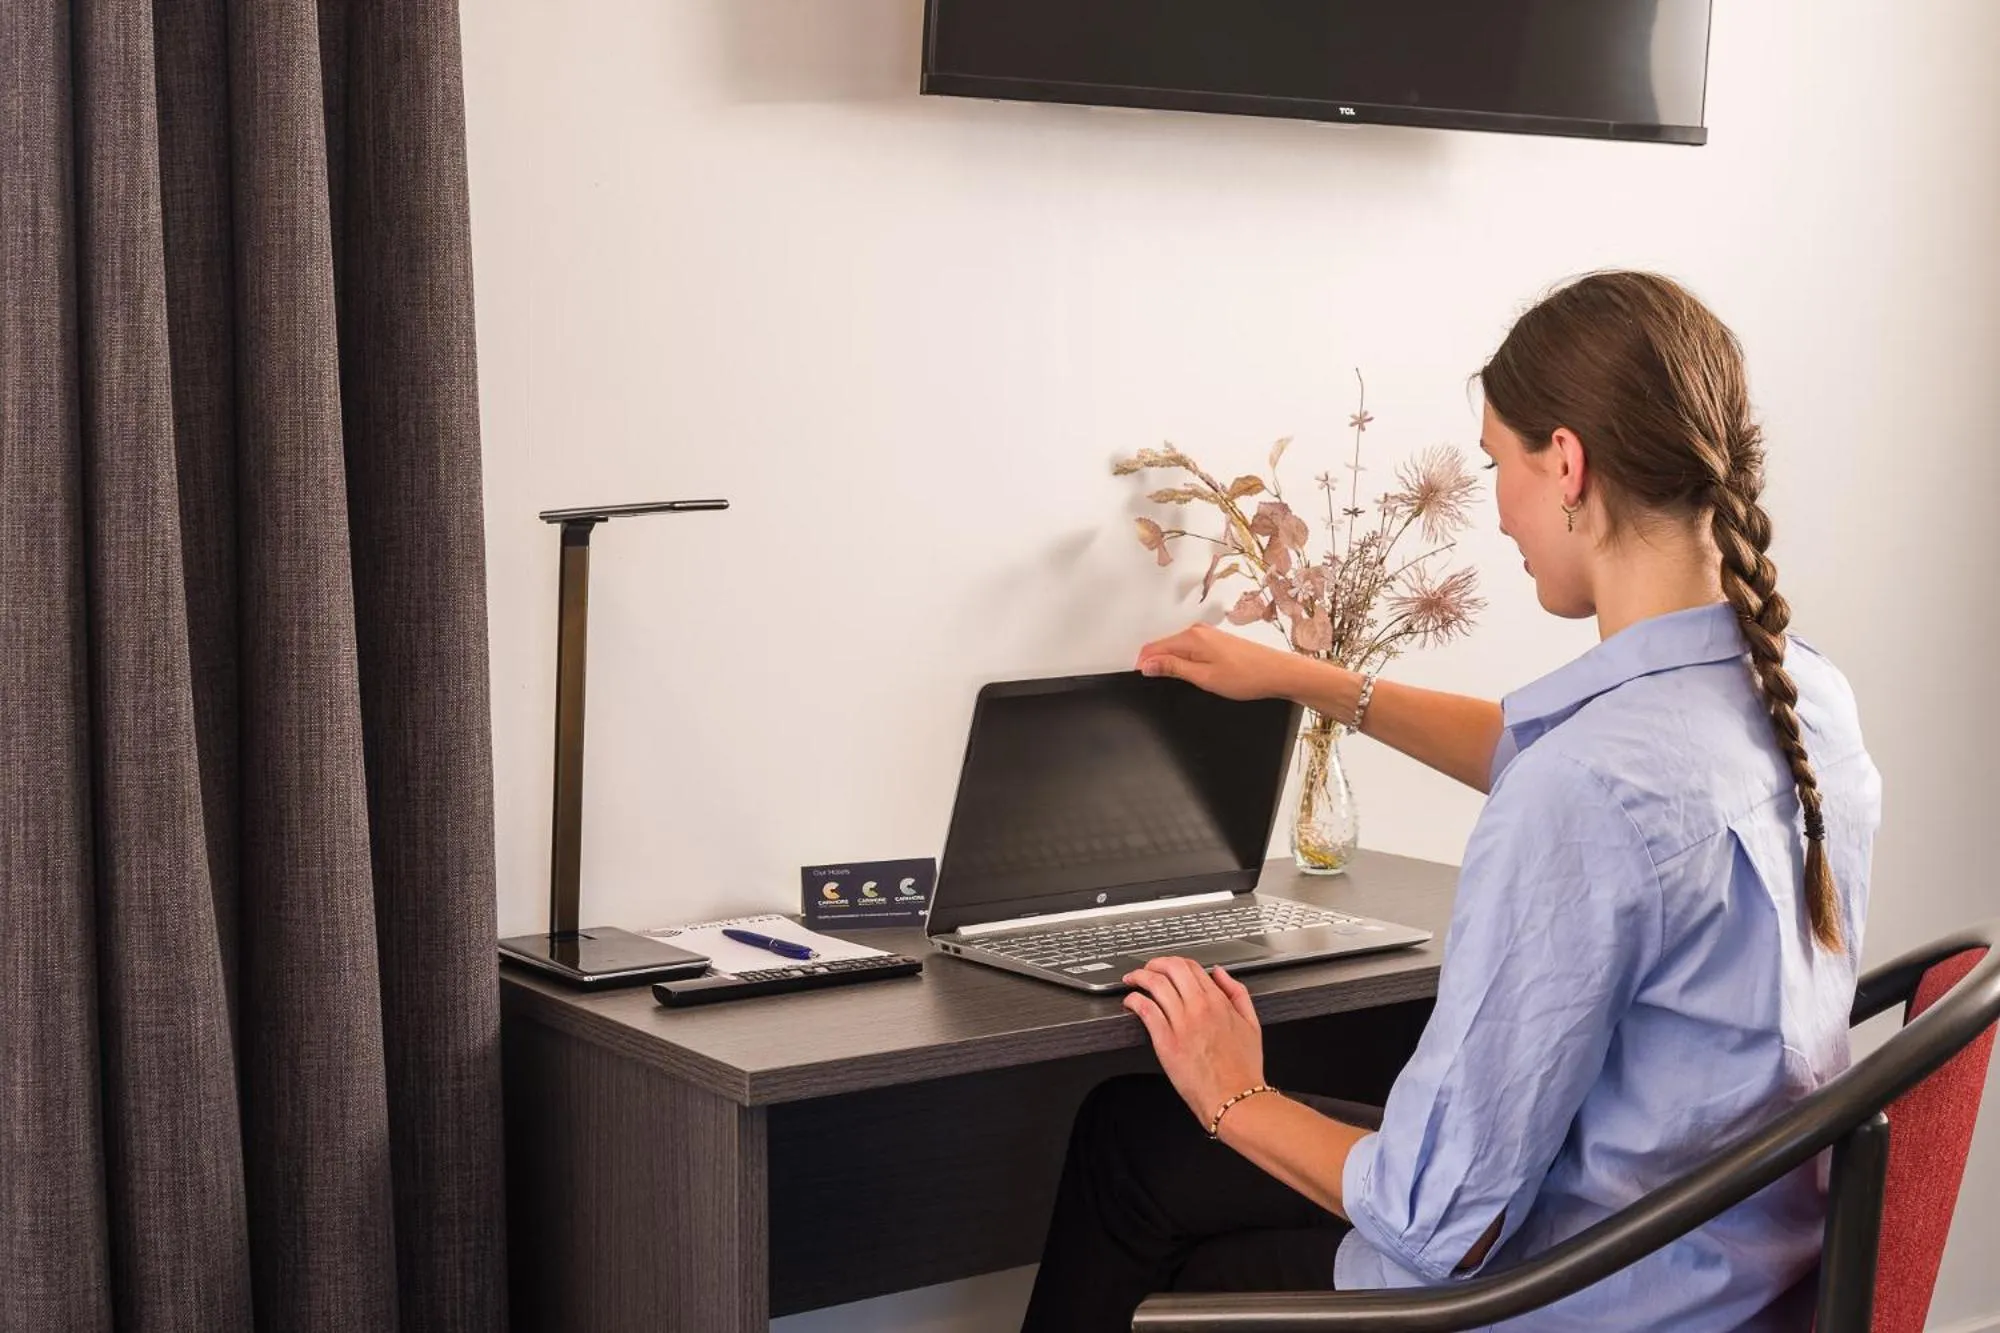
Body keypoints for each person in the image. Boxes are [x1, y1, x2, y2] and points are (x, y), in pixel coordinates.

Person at [1019, 271, 1881, 1332]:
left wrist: (1227, 1090)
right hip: (1732, 1274)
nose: (1500, 512)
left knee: (1156, 1168)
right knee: (1134, 1138)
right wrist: (1309, 680)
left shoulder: (1585, 789)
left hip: (1573, 1300)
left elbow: (1438, 1223)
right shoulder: (1804, 700)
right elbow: (1556, 762)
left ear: (1564, 463)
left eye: (1495, 465)